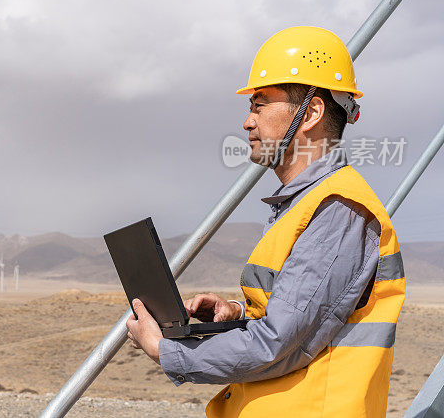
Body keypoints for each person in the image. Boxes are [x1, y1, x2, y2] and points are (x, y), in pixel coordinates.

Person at [125, 26, 405, 417]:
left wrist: (164, 349)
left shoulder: (338, 209)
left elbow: (279, 344)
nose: (247, 122)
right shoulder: (305, 204)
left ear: (309, 113)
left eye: (259, 105)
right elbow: (297, 318)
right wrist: (238, 314)